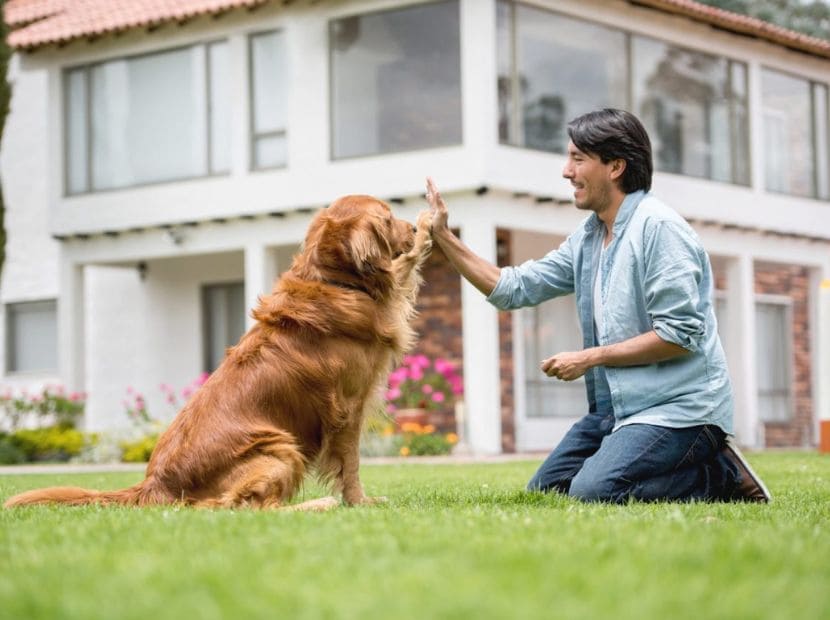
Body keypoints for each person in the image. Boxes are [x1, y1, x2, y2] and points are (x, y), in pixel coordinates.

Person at [425, 108, 771, 504]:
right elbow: (513, 288)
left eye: (577, 158)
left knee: (595, 491)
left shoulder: (660, 230)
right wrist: (445, 238)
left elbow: (679, 336)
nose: (565, 171)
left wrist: (590, 358)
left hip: (681, 411)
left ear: (615, 167)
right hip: (616, 411)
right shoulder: (589, 239)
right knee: (548, 492)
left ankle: (720, 476)